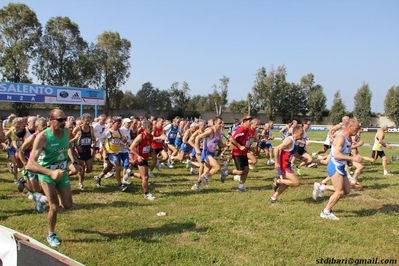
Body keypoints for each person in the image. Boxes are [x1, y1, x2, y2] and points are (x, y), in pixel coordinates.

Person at [26, 108, 82, 247]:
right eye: (60, 120)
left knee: (68, 205)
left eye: (65, 119)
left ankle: (42, 199)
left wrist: (74, 163)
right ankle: (51, 234)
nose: (64, 122)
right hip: (47, 175)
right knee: (55, 207)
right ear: (50, 120)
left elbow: (67, 147)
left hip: (61, 173)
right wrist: (50, 173)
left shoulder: (66, 132)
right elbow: (30, 165)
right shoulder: (43, 137)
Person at [312, 119, 362, 220]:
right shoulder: (341, 137)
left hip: (341, 166)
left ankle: (321, 188)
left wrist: (349, 161)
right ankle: (326, 212)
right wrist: (353, 158)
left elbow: (345, 152)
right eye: (356, 128)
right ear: (350, 127)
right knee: (339, 191)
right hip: (335, 166)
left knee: (346, 190)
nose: (358, 131)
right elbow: (337, 155)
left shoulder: (348, 138)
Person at [17, 117, 48, 212]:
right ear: (36, 127)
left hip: (44, 165)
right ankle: (24, 182)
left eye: (46, 125)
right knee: (36, 190)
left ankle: (39, 207)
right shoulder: (32, 138)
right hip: (32, 166)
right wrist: (25, 164)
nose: (45, 127)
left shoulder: (48, 137)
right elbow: (20, 150)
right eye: (43, 125)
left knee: (45, 189)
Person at [221, 116, 259, 192]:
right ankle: (225, 172)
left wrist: (249, 147)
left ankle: (241, 186)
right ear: (244, 121)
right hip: (237, 153)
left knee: (246, 170)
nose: (250, 122)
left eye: (251, 121)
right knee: (241, 171)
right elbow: (232, 139)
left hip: (244, 153)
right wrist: (240, 146)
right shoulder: (242, 129)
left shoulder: (248, 130)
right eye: (249, 121)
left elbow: (245, 141)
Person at [270, 124, 304, 203]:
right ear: (295, 133)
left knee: (287, 183)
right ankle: (278, 181)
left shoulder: (295, 141)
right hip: (283, 166)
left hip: (287, 165)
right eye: (301, 133)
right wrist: (276, 162)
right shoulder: (289, 140)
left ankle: (273, 198)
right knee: (296, 183)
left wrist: (301, 158)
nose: (302, 135)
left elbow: (293, 152)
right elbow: (277, 148)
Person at [191, 116, 226, 191]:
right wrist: (197, 149)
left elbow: (220, 145)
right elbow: (197, 137)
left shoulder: (218, 133)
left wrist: (227, 144)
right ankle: (205, 178)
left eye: (221, 123)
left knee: (206, 171)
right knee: (217, 167)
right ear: (215, 123)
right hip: (206, 153)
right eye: (219, 123)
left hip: (212, 154)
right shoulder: (210, 131)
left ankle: (196, 185)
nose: (221, 125)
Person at [94, 117, 128, 191]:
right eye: (118, 123)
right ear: (113, 123)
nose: (119, 125)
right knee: (118, 167)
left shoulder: (119, 132)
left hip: (117, 152)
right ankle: (120, 184)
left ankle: (98, 177)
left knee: (109, 168)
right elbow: (100, 138)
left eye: (120, 123)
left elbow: (120, 140)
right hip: (110, 152)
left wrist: (125, 140)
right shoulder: (108, 132)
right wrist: (101, 147)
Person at [129, 120, 156, 200]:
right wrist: (138, 156)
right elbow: (131, 148)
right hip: (139, 159)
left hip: (145, 158)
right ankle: (146, 194)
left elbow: (149, 147)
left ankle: (131, 174)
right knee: (145, 177)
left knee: (143, 176)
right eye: (150, 128)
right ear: (145, 128)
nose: (151, 130)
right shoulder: (140, 136)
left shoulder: (151, 137)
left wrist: (152, 154)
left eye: (152, 128)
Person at [71, 113, 96, 191]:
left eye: (89, 119)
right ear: (83, 120)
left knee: (89, 169)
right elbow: (72, 138)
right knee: (82, 168)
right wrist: (77, 146)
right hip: (80, 150)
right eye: (86, 119)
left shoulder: (91, 128)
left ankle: (81, 172)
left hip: (88, 149)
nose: (88, 121)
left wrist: (94, 141)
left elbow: (93, 137)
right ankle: (80, 183)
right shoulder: (78, 128)